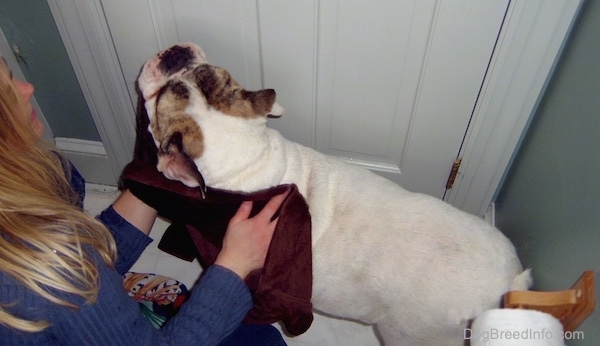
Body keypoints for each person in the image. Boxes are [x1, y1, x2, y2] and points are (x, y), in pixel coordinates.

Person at [0, 56, 289, 345]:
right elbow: (75, 267)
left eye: (11, 75)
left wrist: (155, 177)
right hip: (59, 294)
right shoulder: (51, 267)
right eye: (5, 94)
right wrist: (236, 263)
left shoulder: (30, 174)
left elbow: (90, 254)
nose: (27, 89)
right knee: (263, 341)